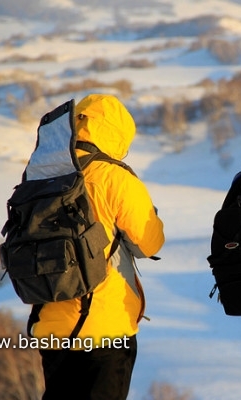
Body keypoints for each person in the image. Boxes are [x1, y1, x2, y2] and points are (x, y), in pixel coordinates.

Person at [32, 94, 165, 399]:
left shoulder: (43, 171)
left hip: (50, 324)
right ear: (117, 135)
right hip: (106, 328)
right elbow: (150, 242)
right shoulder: (114, 178)